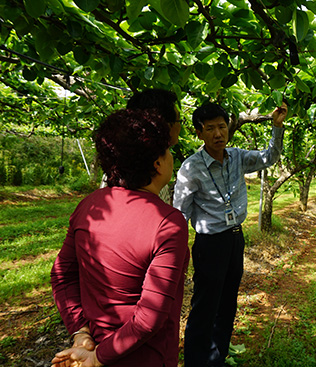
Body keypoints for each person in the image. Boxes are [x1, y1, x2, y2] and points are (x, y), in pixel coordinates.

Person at [51, 109, 190, 367]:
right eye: (168, 150)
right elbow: (149, 318)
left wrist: (81, 333)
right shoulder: (168, 223)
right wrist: (97, 358)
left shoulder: (89, 206)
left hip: (94, 343)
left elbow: (62, 274)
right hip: (146, 357)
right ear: (157, 164)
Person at [173, 102, 288, 366]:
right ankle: (196, 361)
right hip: (210, 244)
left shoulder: (237, 157)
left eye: (222, 126)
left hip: (235, 239)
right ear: (199, 133)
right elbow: (180, 213)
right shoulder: (190, 168)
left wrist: (277, 127)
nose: (218, 133)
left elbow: (269, 157)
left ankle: (217, 357)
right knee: (205, 306)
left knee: (227, 303)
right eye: (210, 128)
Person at [100, 88, 182, 204]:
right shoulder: (149, 173)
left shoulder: (118, 166)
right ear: (163, 125)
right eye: (179, 121)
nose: (179, 127)